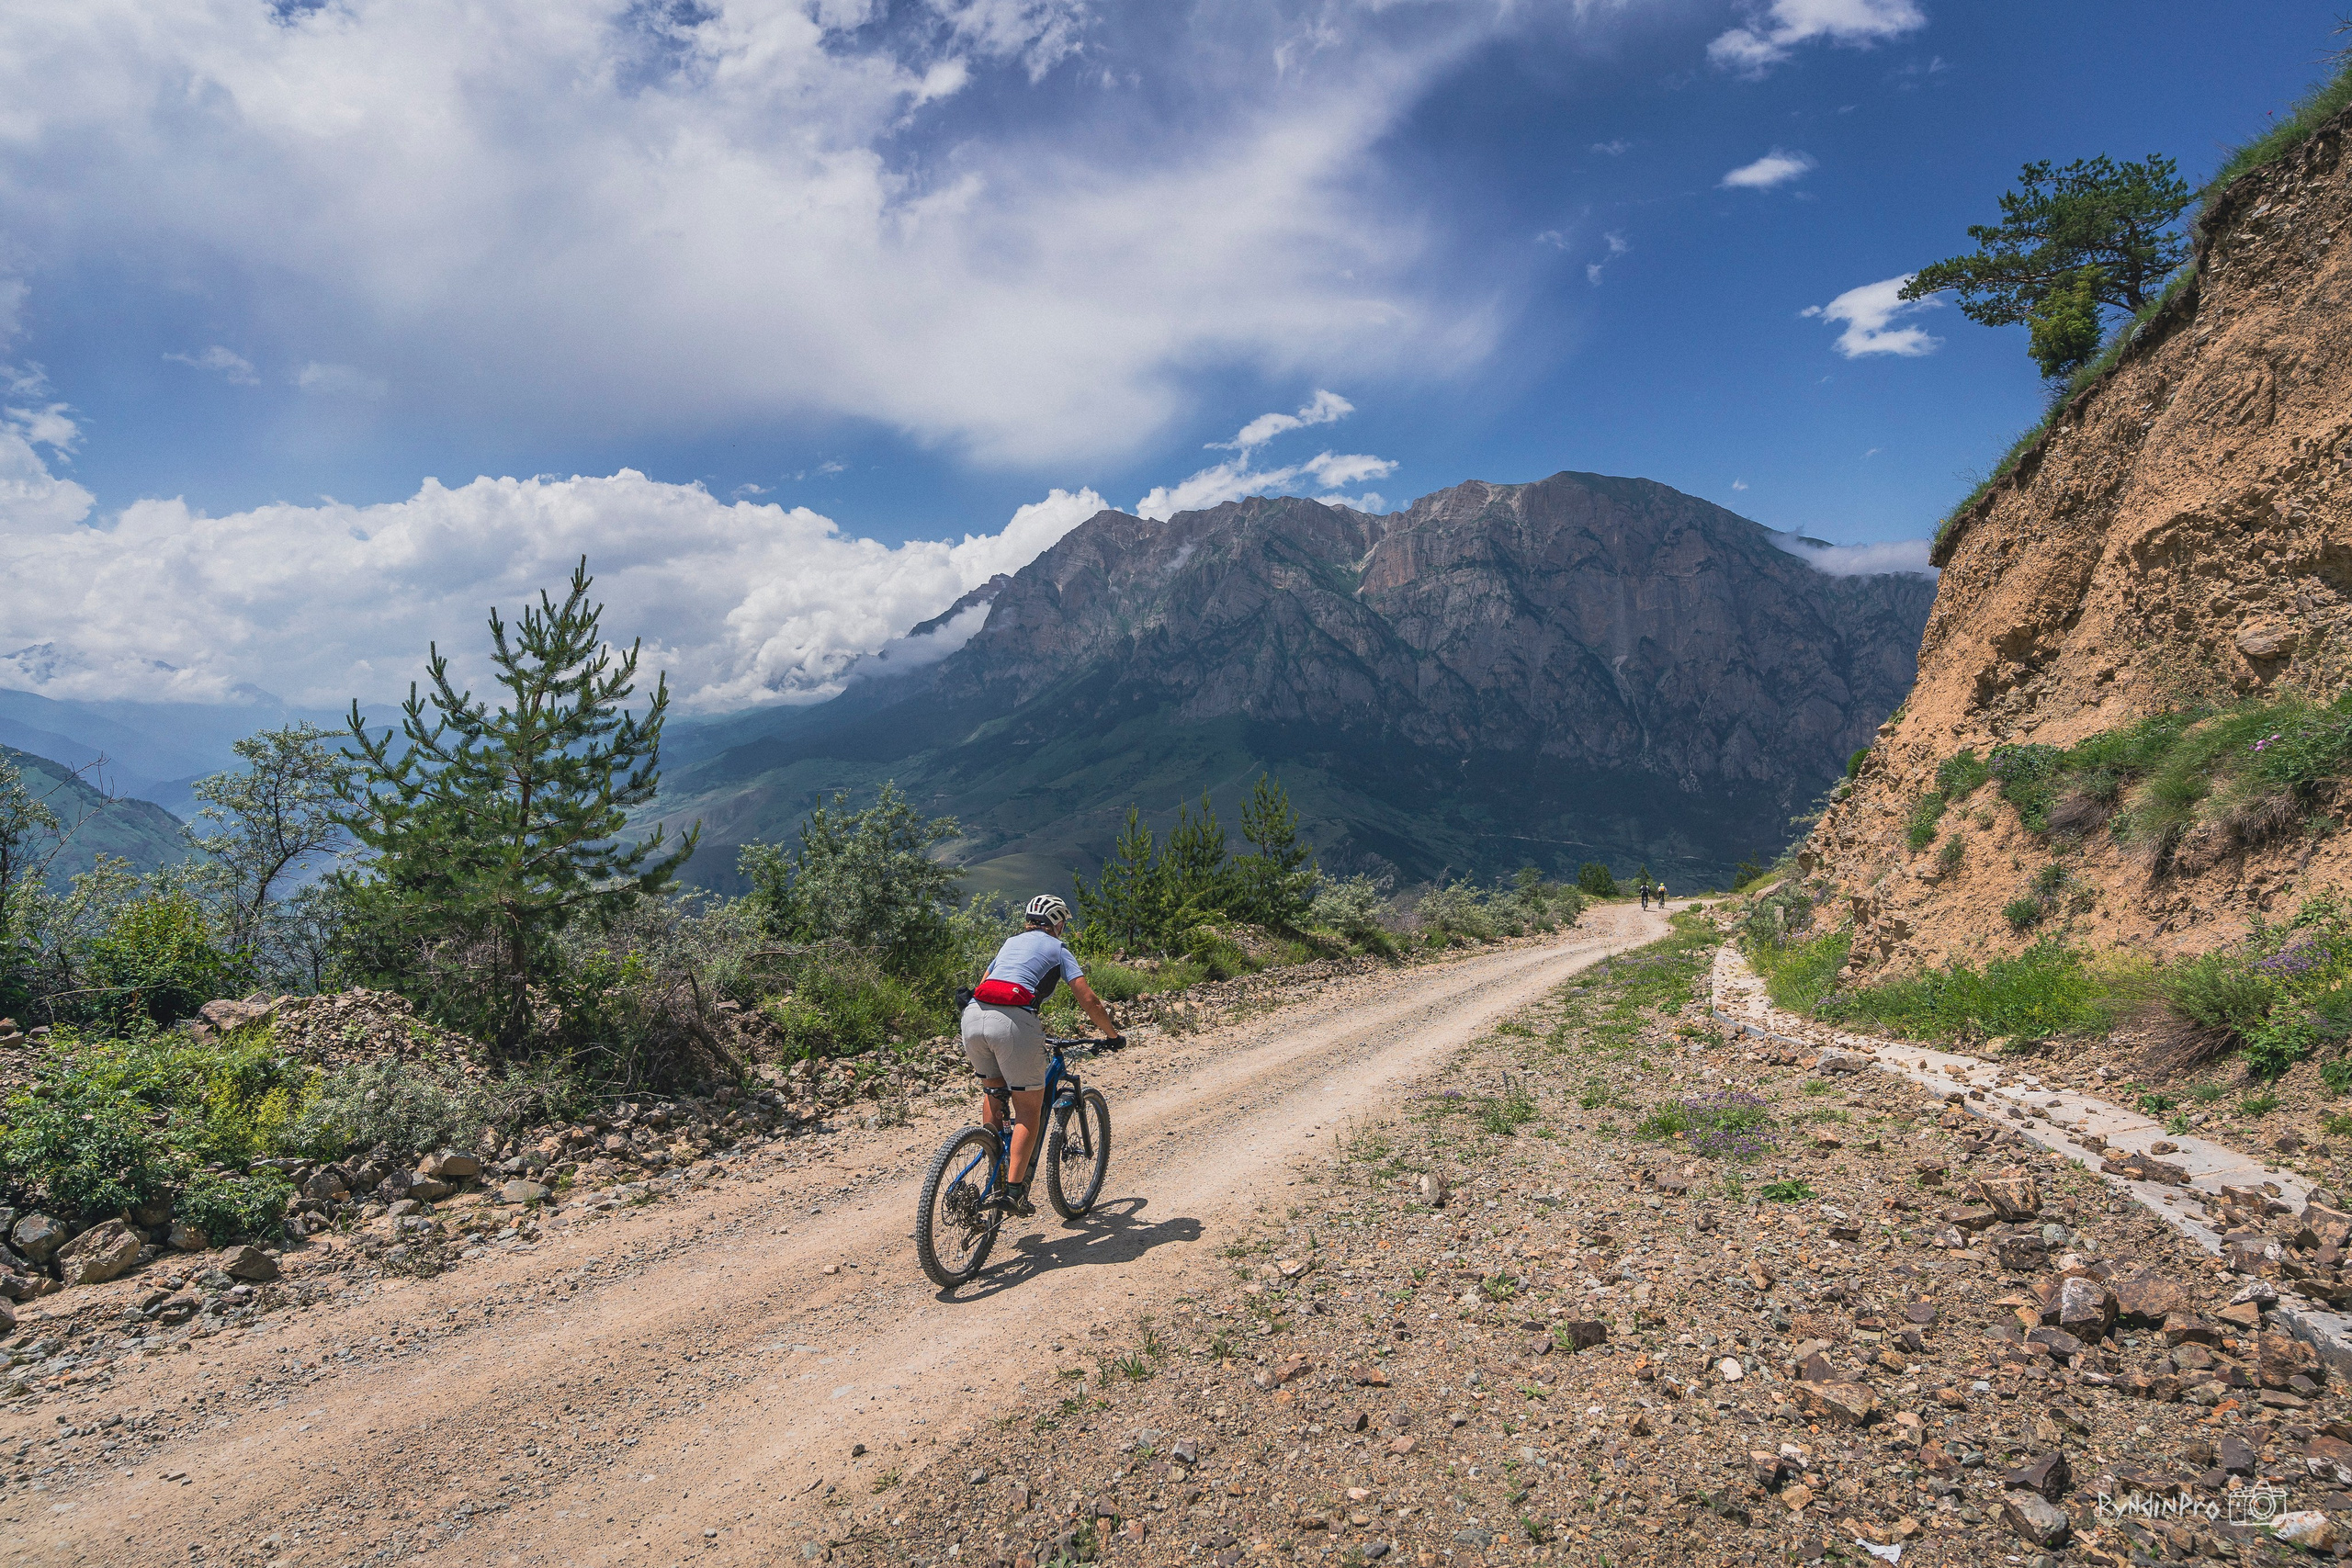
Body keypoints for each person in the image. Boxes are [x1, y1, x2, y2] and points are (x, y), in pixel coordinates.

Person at [962, 894, 1123, 1216]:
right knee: (1028, 1110)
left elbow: (985, 984)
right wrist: (1112, 1035)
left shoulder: (1010, 943)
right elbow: (1089, 1000)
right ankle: (1013, 1193)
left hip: (973, 1016)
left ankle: (994, 1162)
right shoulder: (1059, 949)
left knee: (994, 1091)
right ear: (1057, 924)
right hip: (1013, 1022)